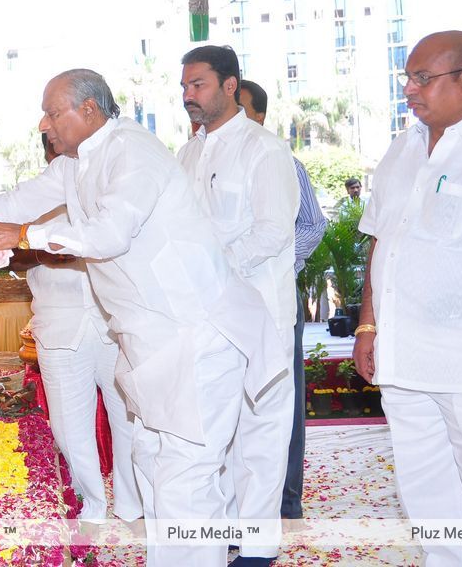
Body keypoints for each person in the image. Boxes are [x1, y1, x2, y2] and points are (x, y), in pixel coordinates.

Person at [0, 68, 286, 567]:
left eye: (52, 112)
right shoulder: (76, 162)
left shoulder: (132, 151)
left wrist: (23, 235)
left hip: (195, 334)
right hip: (152, 341)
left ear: (88, 110)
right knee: (156, 466)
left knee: (185, 477)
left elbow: (109, 234)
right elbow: (12, 202)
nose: (44, 123)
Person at [177, 47, 299, 567]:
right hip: (207, 319)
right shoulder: (186, 154)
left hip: (259, 314)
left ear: (231, 86)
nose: (188, 96)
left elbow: (272, 232)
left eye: (198, 85)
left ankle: (257, 547)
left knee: (262, 432)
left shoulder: (263, 149)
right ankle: (225, 533)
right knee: (216, 432)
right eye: (184, 86)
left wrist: (215, 270)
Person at [353, 30, 462, 566]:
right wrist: (367, 326)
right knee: (424, 484)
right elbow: (382, 242)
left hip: (460, 355)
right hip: (402, 353)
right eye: (408, 78)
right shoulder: (401, 148)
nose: (410, 90)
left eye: (423, 78)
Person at [7, 132, 140, 523]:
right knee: (69, 427)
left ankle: (133, 505)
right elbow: (11, 258)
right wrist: (38, 251)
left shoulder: (109, 187)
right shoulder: (31, 198)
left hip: (113, 323)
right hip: (59, 324)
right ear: (50, 150)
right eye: (54, 142)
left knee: (131, 419)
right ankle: (92, 506)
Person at [241, 78, 327, 524]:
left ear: (258, 115)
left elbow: (313, 226)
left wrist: (277, 267)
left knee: (279, 403)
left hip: (274, 301)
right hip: (227, 303)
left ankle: (285, 502)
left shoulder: (280, 161)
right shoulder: (202, 157)